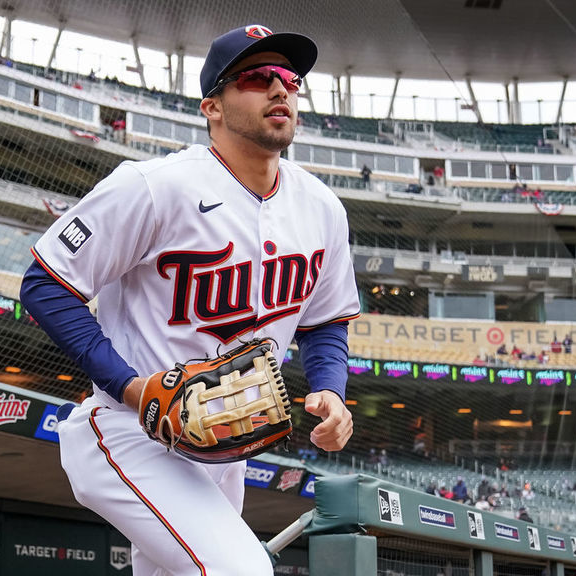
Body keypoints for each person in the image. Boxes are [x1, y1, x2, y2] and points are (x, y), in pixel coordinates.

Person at [19, 24, 360, 575]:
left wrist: (329, 388)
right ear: (212, 107)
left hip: (227, 446)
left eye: (289, 78)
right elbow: (46, 283)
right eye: (256, 77)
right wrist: (133, 390)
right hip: (132, 432)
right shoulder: (155, 186)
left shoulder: (322, 209)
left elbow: (325, 323)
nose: (280, 89)